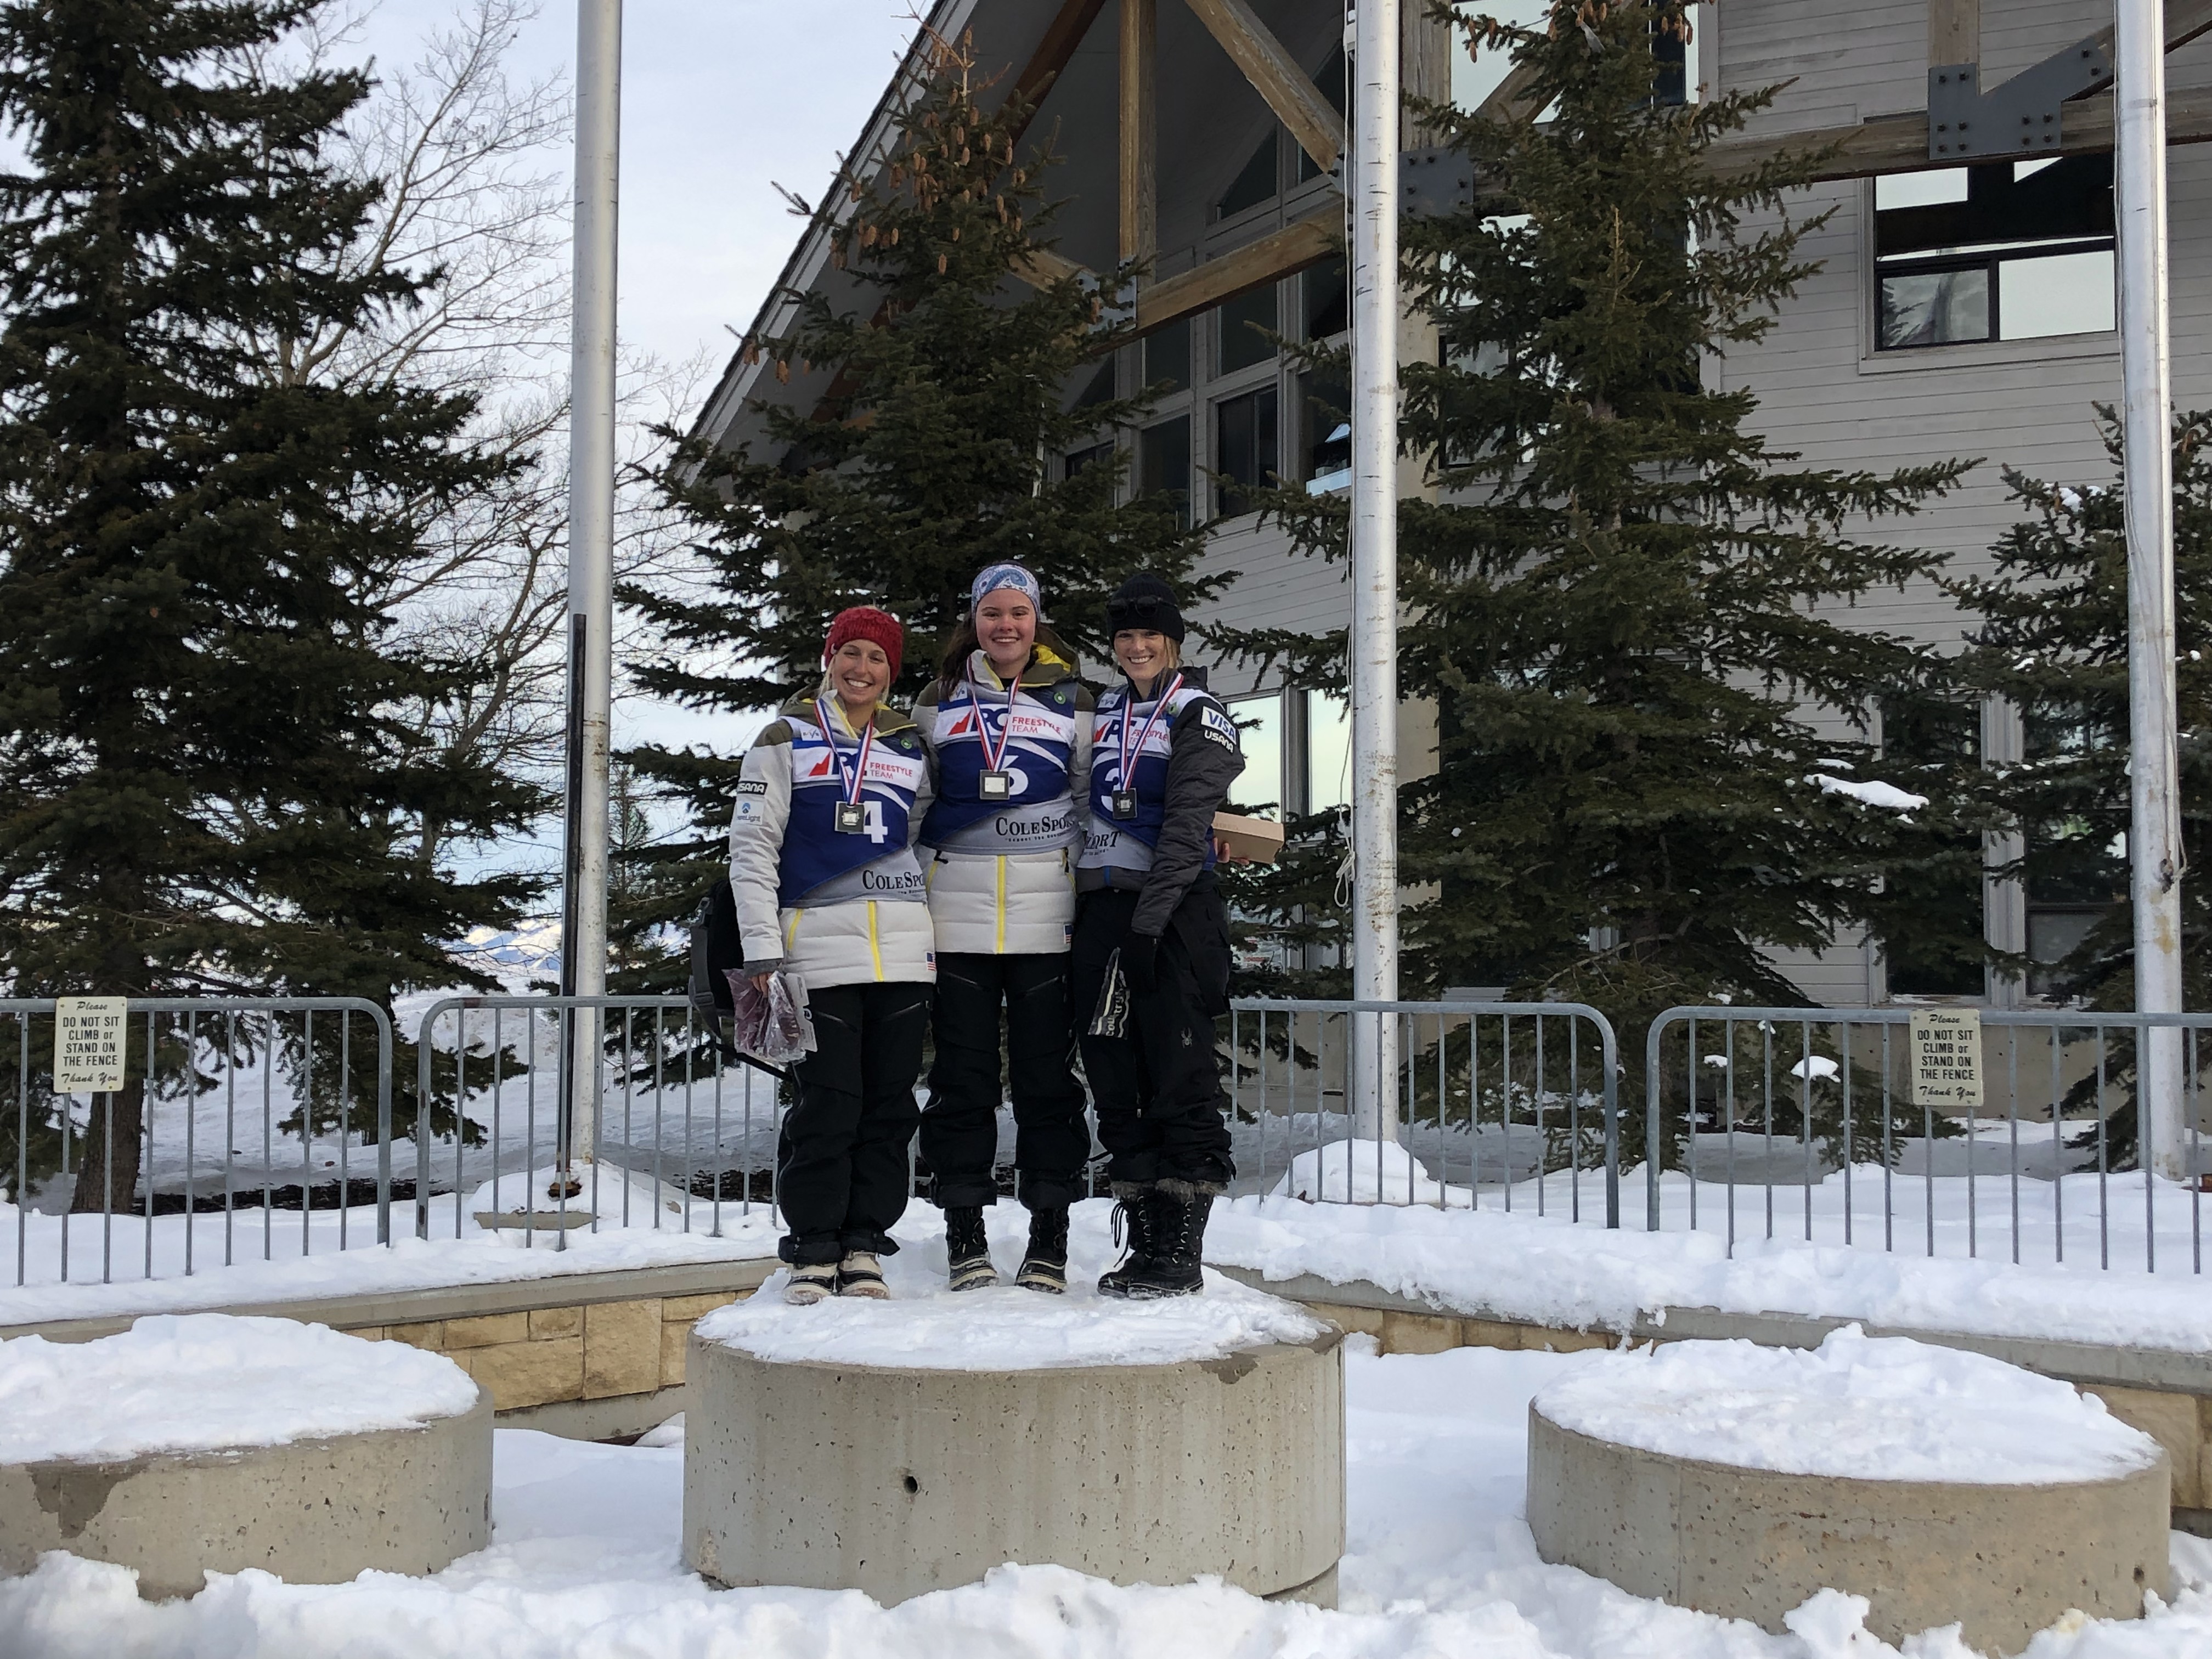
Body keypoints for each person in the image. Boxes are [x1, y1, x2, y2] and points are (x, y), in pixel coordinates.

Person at [727, 606, 935, 1305]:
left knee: (889, 1109)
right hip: (813, 951)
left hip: (902, 955)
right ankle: (814, 1248)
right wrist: (763, 949)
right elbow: (752, 849)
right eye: (851, 653)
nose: (862, 669)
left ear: (891, 671)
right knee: (827, 1105)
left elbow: (922, 838)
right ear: (830, 659)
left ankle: (864, 1243)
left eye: (877, 658)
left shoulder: (909, 744)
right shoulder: (784, 736)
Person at [912, 563, 1095, 1293]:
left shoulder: (1074, 697)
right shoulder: (939, 698)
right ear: (975, 621)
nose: (1006, 625)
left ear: (1036, 619)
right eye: (992, 613)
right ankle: (965, 1231)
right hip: (955, 918)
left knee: (1048, 1081)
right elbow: (913, 801)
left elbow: (1090, 799)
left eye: (1019, 612)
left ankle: (1050, 1232)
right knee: (961, 1082)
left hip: (1046, 919)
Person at [1071, 573, 1242, 1298]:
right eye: (1125, 636)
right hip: (1102, 912)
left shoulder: (1198, 712)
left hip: (1171, 915)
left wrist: (1148, 925)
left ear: (1172, 639)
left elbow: (1185, 826)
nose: (1137, 647)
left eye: (1150, 635)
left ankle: (1181, 1250)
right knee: (1114, 1076)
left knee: (1179, 1076)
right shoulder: (1105, 708)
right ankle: (1143, 1243)